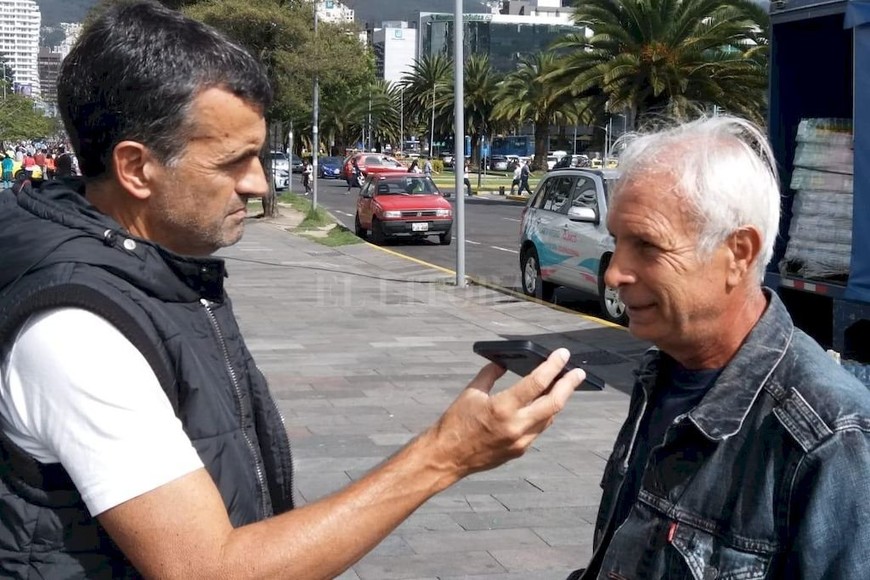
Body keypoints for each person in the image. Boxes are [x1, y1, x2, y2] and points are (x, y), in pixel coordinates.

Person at [0, 3, 586, 578]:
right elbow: (208, 569)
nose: (258, 184)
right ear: (136, 168)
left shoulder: (157, 273)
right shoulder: (79, 332)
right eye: (233, 162)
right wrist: (444, 454)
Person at [566, 116, 870, 580]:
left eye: (647, 246)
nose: (613, 273)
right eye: (617, 242)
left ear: (739, 254)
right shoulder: (661, 375)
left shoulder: (830, 439)